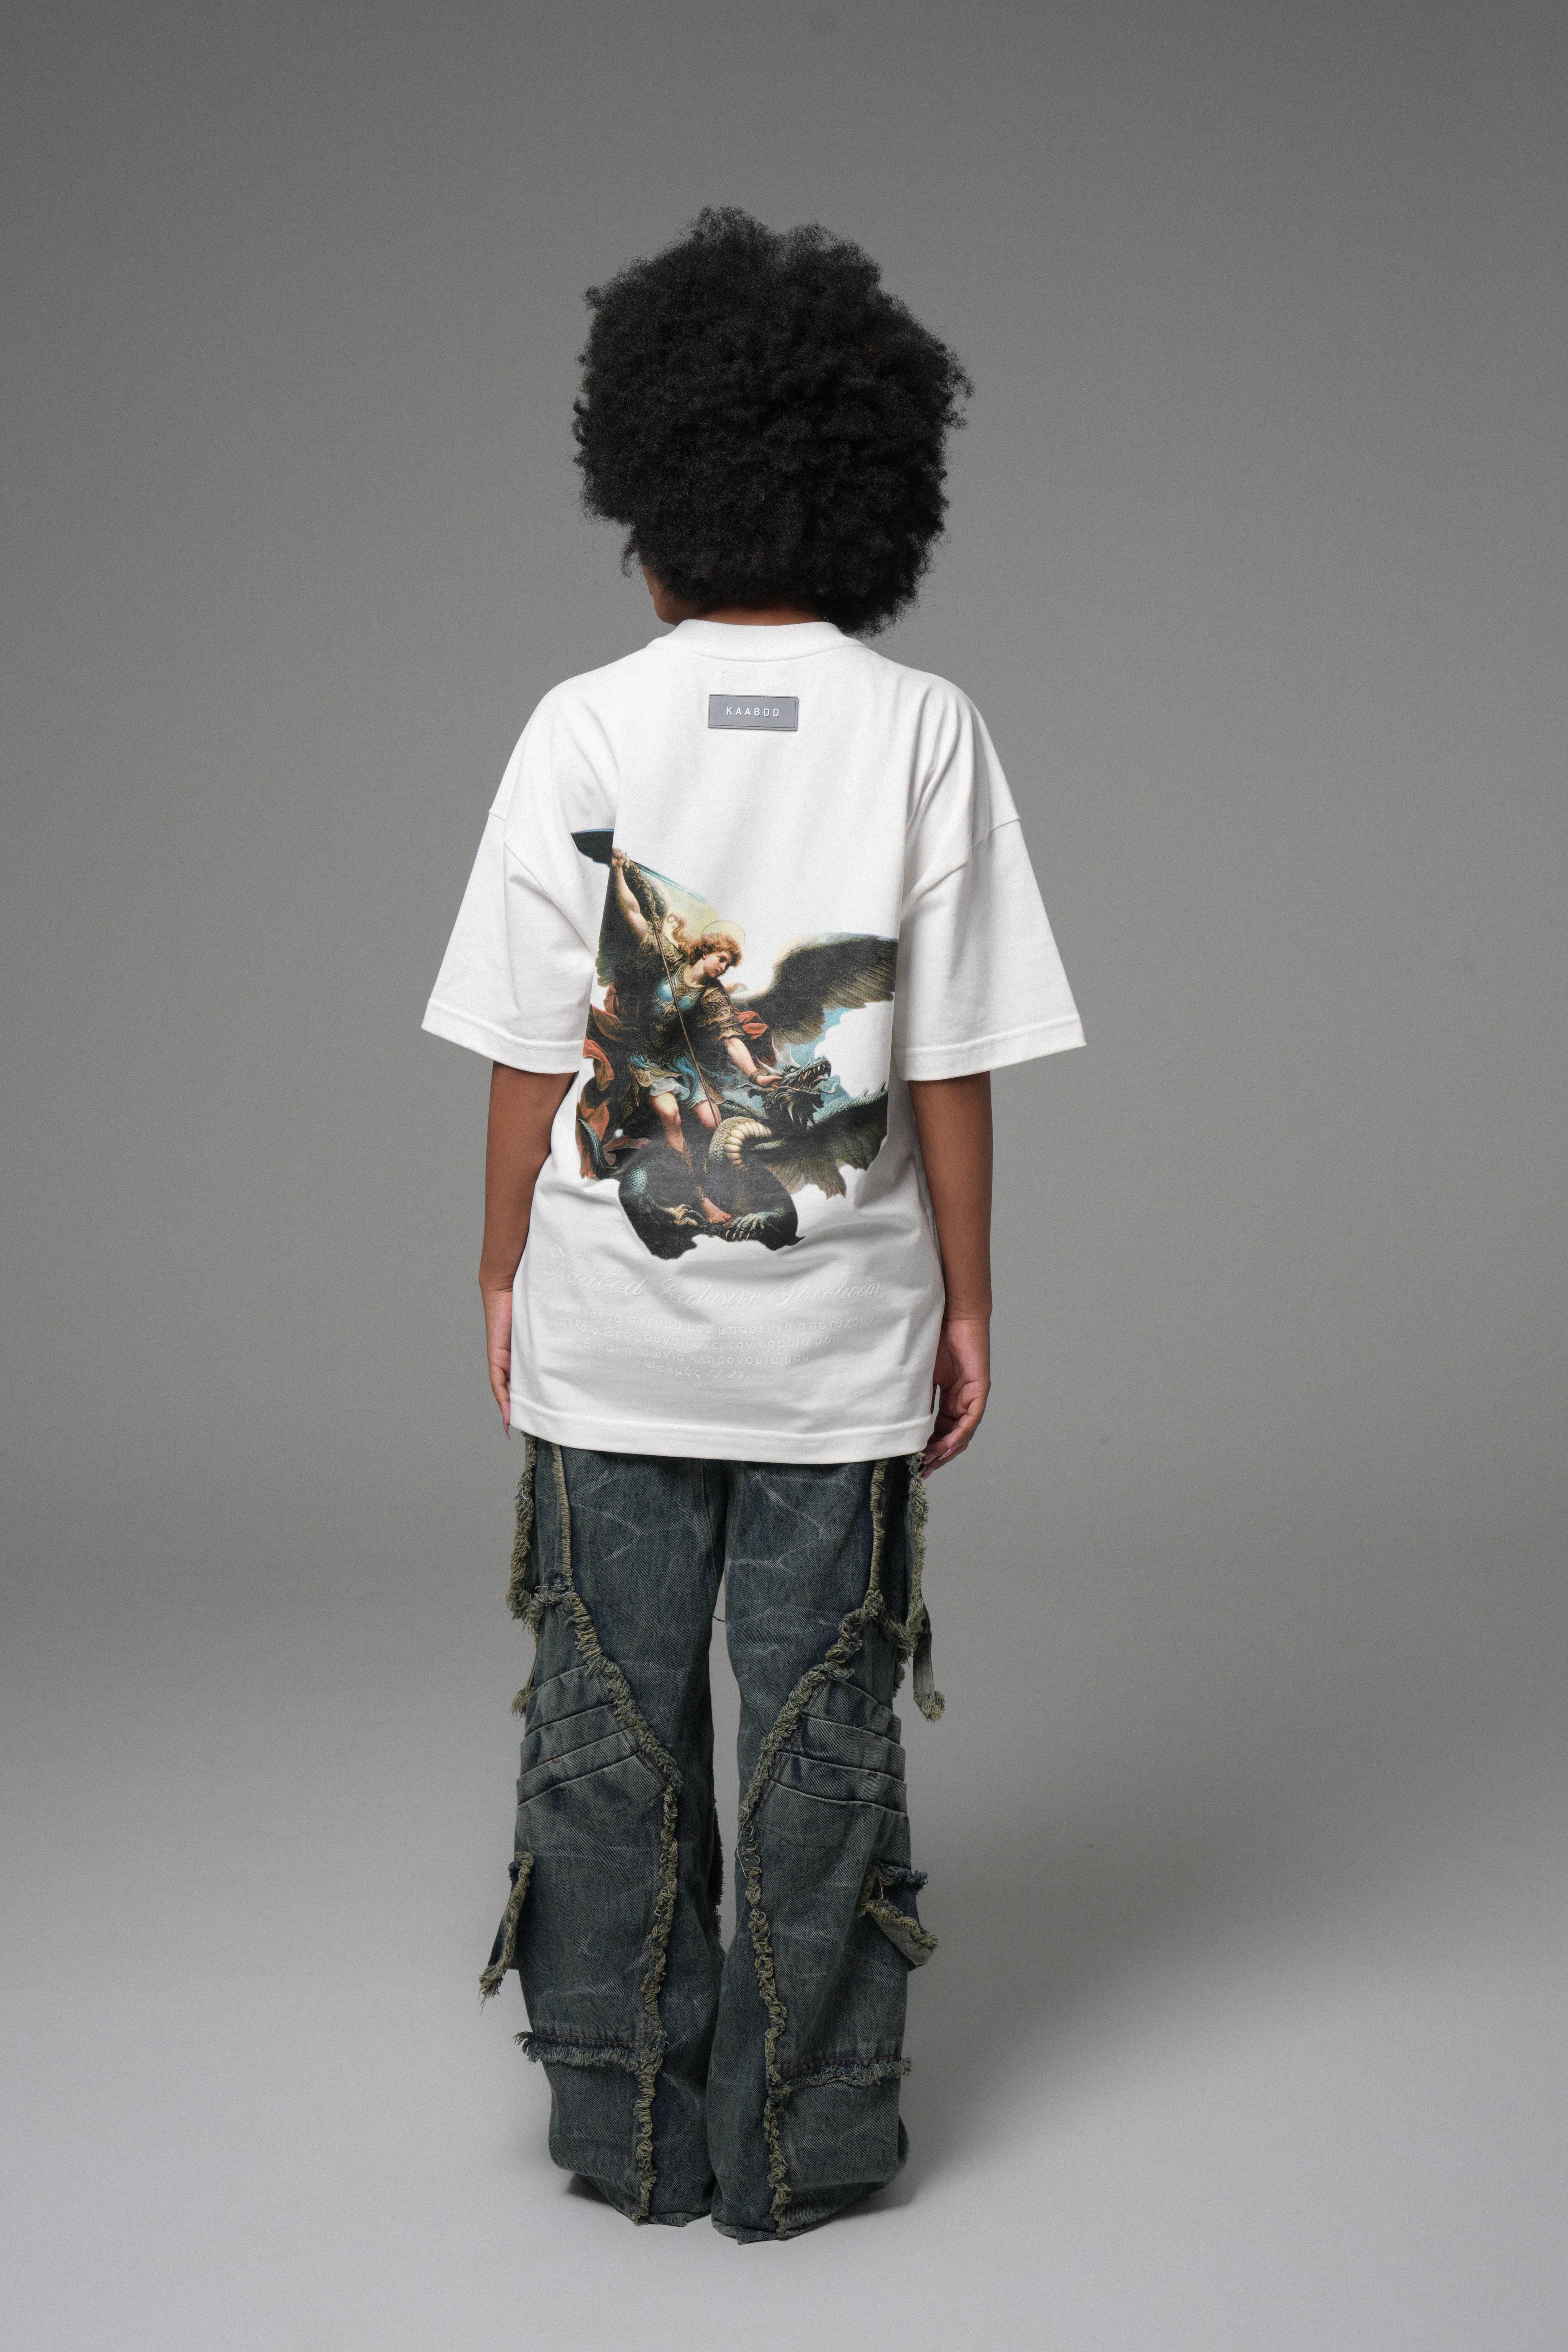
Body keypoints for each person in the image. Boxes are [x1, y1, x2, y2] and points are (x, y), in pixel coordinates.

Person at [422, 206, 1083, 2240]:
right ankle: (809, 2145)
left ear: (649, 488)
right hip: (842, 1340)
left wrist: (500, 1263)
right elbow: (950, 1062)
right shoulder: (926, 727)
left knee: (605, 1726)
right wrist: (971, 1301)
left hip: (612, 1329)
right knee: (823, 1740)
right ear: (874, 498)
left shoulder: (583, 725)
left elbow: (529, 1051)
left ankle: (627, 2130)